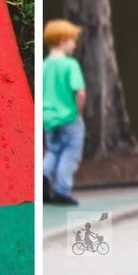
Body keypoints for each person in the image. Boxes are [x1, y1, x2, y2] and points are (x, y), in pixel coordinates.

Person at [41, 19, 87, 206]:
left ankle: (43, 176)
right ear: (61, 40)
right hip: (69, 117)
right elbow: (80, 92)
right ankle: (62, 190)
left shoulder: (44, 65)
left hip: (49, 118)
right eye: (71, 40)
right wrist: (79, 112)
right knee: (70, 153)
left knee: (53, 151)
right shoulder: (70, 65)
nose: (74, 45)